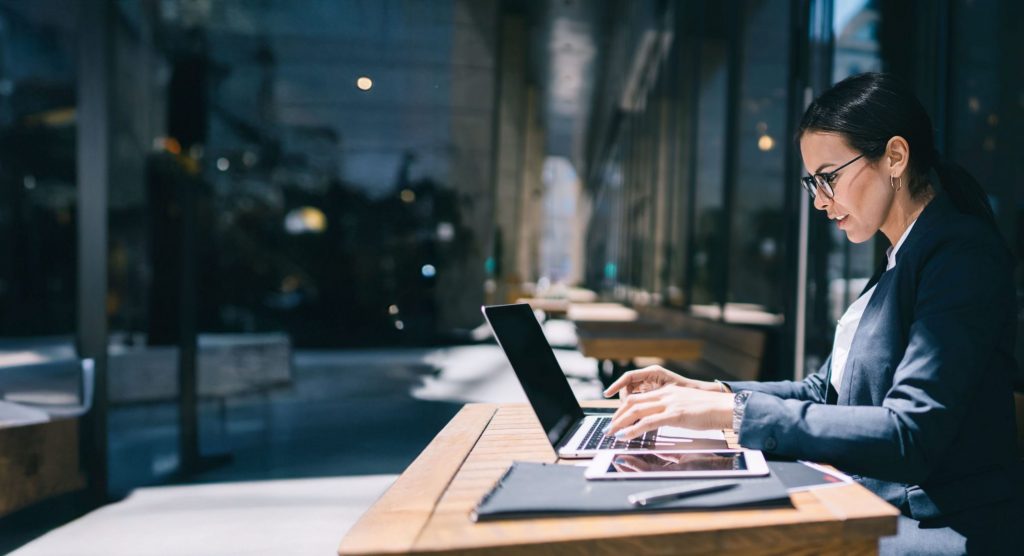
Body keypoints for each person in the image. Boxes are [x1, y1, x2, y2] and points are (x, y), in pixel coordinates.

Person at [604, 72, 1019, 555]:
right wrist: (705, 392)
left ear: (895, 157)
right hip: (875, 505)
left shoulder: (958, 256)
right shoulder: (900, 256)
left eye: (829, 177)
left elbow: (911, 434)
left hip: (935, 527)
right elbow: (824, 391)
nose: (821, 200)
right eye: (812, 182)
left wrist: (733, 414)